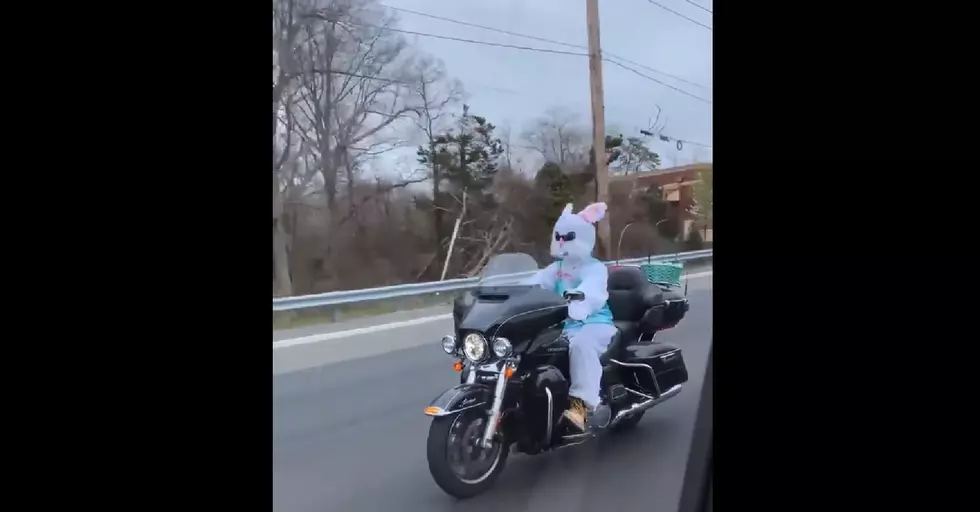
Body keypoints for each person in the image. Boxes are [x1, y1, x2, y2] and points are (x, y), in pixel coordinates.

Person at [526, 202, 615, 431]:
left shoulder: (594, 268)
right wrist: (511, 292)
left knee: (581, 347)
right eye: (559, 236)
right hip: (562, 324)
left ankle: (582, 407)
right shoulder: (556, 268)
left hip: (594, 323)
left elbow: (593, 290)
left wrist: (580, 297)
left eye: (569, 236)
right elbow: (534, 282)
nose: (563, 241)